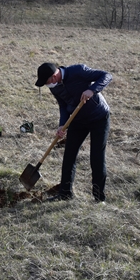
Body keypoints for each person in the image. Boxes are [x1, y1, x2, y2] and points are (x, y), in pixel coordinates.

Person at [35, 62, 112, 202]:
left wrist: (92, 90)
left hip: (98, 117)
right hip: (77, 120)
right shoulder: (54, 86)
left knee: (96, 158)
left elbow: (106, 75)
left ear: (54, 76)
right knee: (69, 155)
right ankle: (65, 193)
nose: (47, 86)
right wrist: (62, 125)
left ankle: (99, 198)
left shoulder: (78, 71)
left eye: (46, 82)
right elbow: (63, 105)